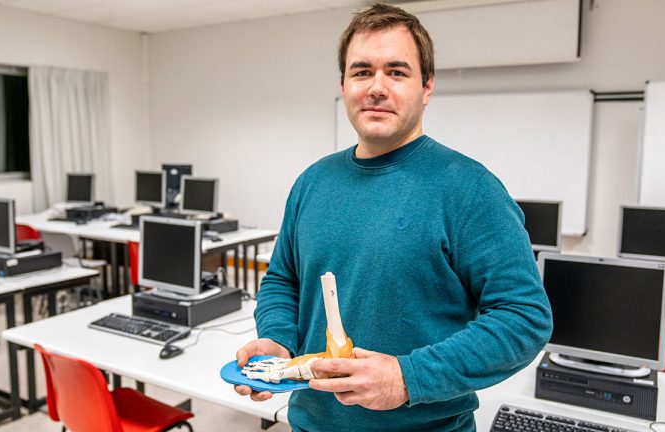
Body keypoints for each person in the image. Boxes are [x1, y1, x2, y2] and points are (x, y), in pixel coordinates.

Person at [234, 3, 553, 431]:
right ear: (344, 84)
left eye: (397, 72)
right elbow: (283, 280)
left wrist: (407, 378)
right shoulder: (312, 182)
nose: (377, 87)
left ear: (426, 87)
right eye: (362, 71)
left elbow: (523, 317)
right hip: (311, 422)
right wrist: (277, 339)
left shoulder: (470, 189)